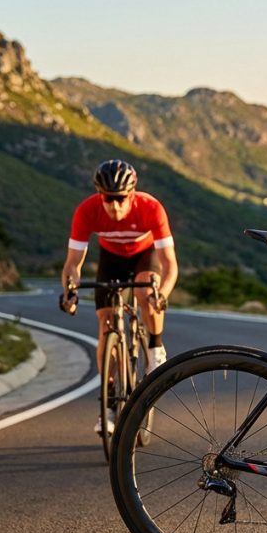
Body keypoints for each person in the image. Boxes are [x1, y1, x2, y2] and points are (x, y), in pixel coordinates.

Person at [59, 159, 178, 434]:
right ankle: (110, 403)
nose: (114, 206)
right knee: (106, 323)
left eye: (120, 199)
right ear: (99, 194)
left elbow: (170, 264)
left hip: (143, 256)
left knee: (145, 288)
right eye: (108, 199)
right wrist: (70, 292)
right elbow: (72, 265)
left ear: (132, 194)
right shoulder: (87, 211)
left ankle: (155, 348)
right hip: (111, 257)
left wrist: (162, 295)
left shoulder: (151, 208)